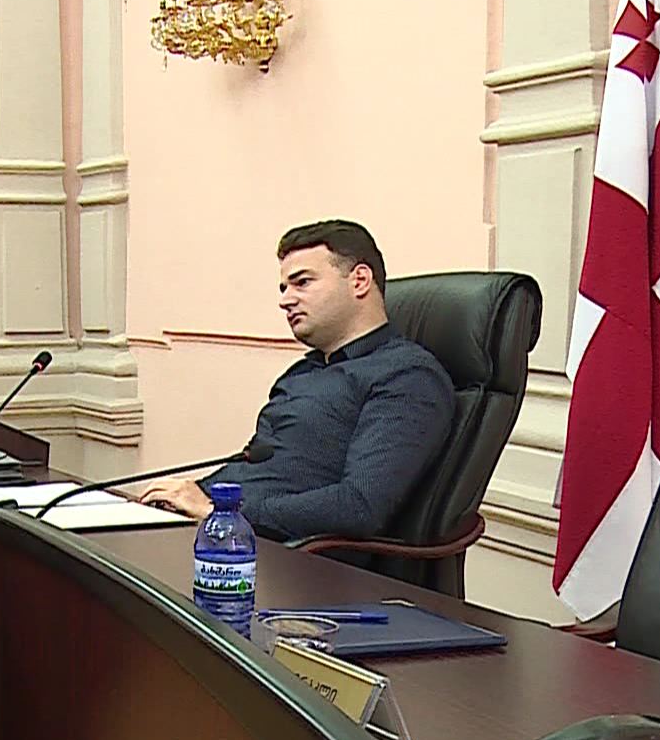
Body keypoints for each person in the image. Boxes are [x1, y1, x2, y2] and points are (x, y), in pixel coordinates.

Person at [138, 220, 455, 542]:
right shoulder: (303, 371)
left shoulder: (407, 376)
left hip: (288, 557)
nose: (285, 300)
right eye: (283, 288)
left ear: (359, 281)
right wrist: (182, 497)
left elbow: (359, 506)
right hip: (223, 532)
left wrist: (223, 511)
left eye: (302, 283)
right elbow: (260, 469)